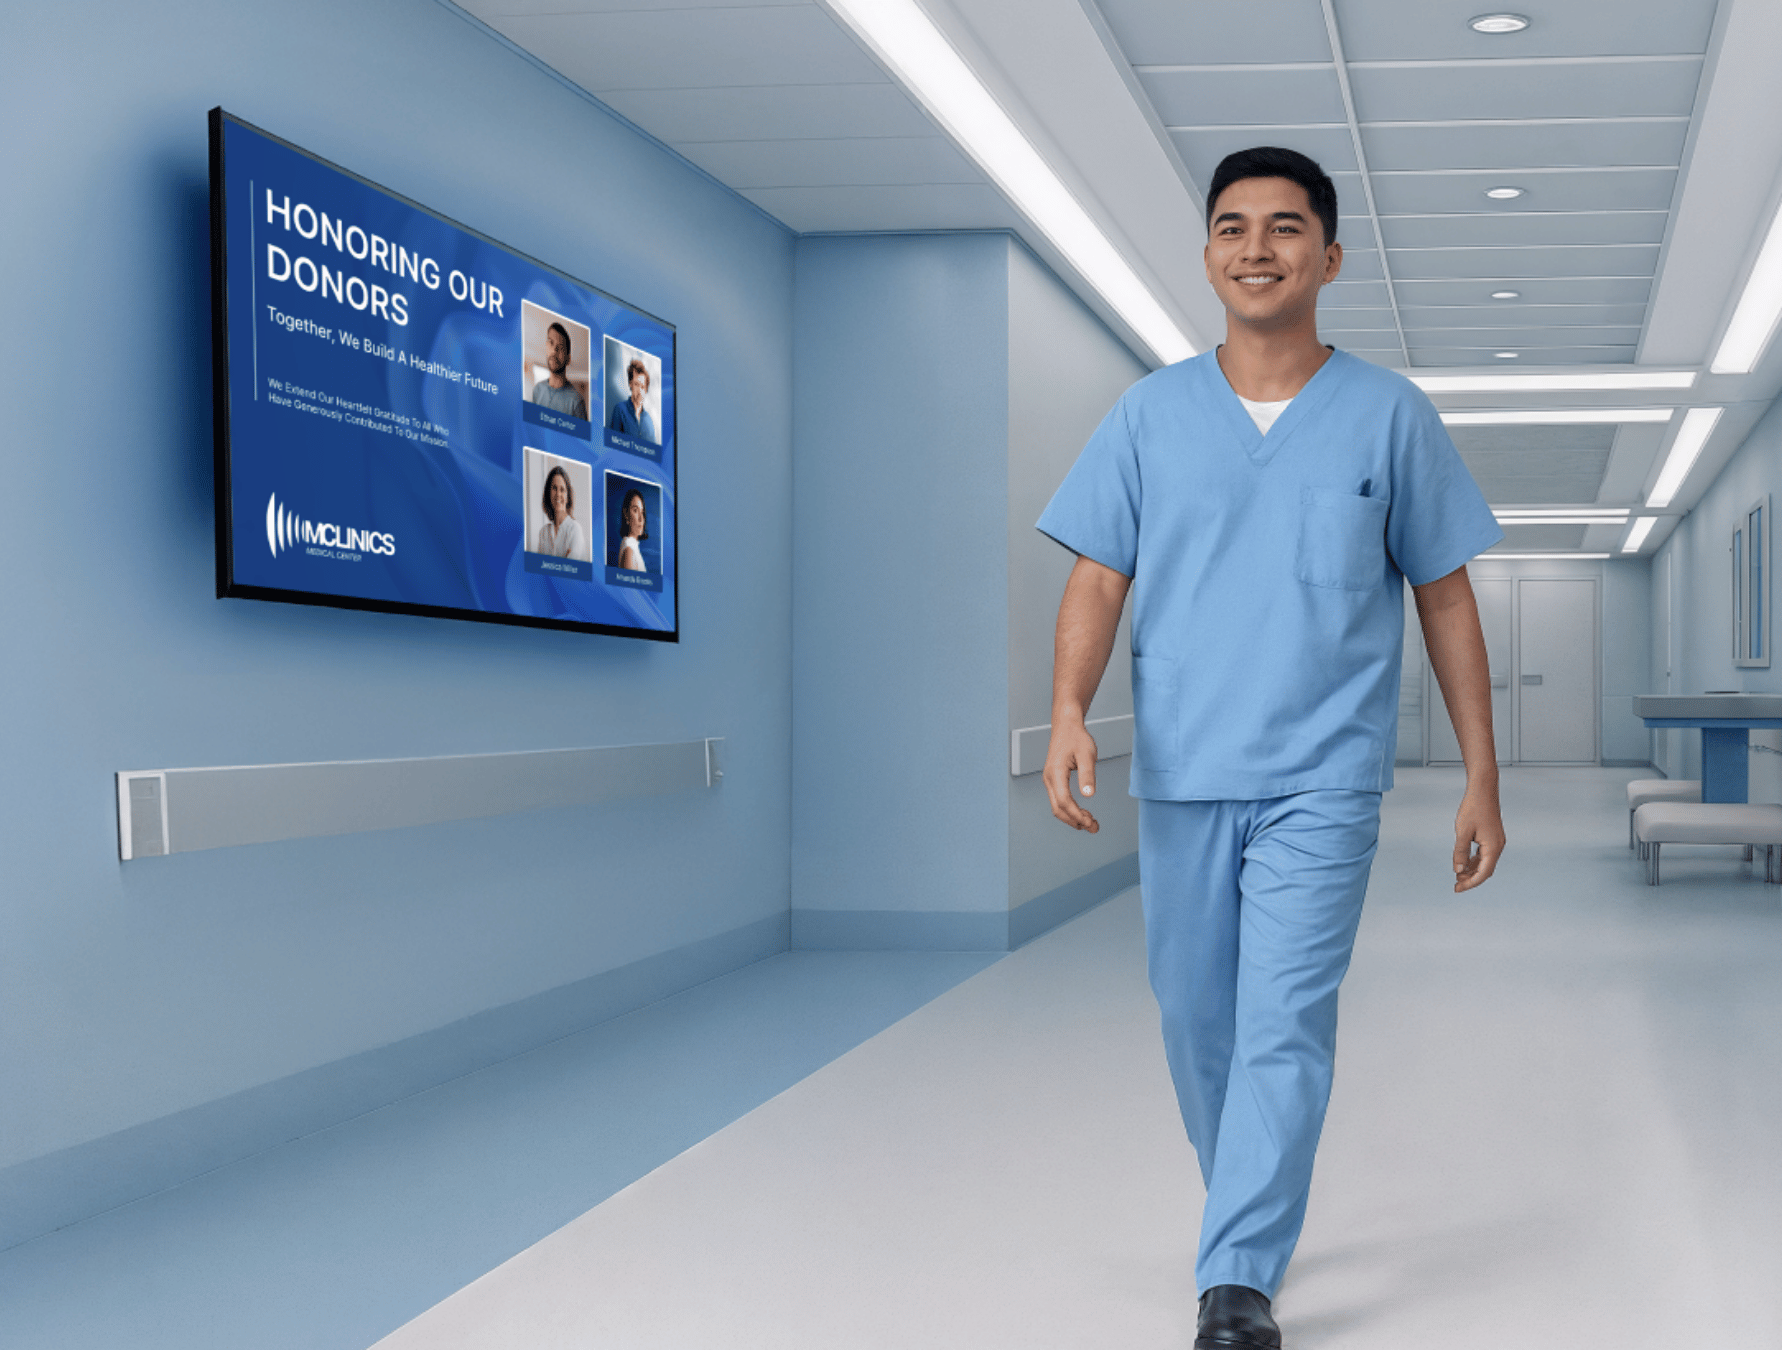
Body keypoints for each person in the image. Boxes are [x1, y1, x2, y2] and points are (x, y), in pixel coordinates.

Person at [1036, 146, 1505, 1350]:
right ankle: (1245, 1212)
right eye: (1233, 227)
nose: (1258, 248)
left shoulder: (1389, 416)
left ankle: (1236, 1280)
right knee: (1197, 1020)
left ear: (1329, 258)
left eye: (1286, 227)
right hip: (1187, 767)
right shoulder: (1150, 415)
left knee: (1284, 1018)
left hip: (1324, 777)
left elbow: (1445, 596)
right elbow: (1099, 577)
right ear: (1208, 256)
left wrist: (1482, 773)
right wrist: (1072, 710)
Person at [530, 321, 588, 419]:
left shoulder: (576, 402)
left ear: (568, 359)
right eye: (551, 343)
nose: (554, 350)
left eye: (560, 347)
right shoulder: (537, 390)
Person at [535, 465, 583, 559]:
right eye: (554, 488)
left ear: (567, 496)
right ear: (549, 493)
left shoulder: (575, 529)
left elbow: (572, 566)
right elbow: (538, 566)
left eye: (562, 490)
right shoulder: (543, 532)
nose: (558, 494)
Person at [608, 356, 658, 443]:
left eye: (642, 387)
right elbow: (612, 443)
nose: (640, 391)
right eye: (636, 384)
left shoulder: (649, 420)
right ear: (630, 384)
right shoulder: (620, 410)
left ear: (646, 390)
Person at [616, 488, 648, 572]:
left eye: (642, 512)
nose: (641, 519)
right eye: (635, 510)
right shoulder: (629, 551)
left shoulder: (629, 545)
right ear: (626, 514)